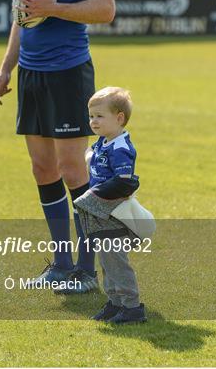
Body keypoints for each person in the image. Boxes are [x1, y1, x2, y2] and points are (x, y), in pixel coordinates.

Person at [0, 0, 115, 292]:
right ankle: (61, 264)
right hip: (32, 75)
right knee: (42, 168)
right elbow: (22, 16)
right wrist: (7, 67)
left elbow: (105, 9)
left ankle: (86, 269)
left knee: (69, 167)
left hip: (67, 72)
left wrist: (54, 8)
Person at [72, 87, 147, 323]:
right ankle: (115, 303)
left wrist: (93, 196)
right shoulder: (104, 142)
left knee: (116, 260)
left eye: (99, 116)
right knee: (105, 259)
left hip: (112, 212)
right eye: (91, 116)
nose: (93, 121)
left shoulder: (120, 147)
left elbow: (124, 182)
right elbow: (94, 162)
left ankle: (132, 307)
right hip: (101, 212)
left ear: (119, 118)